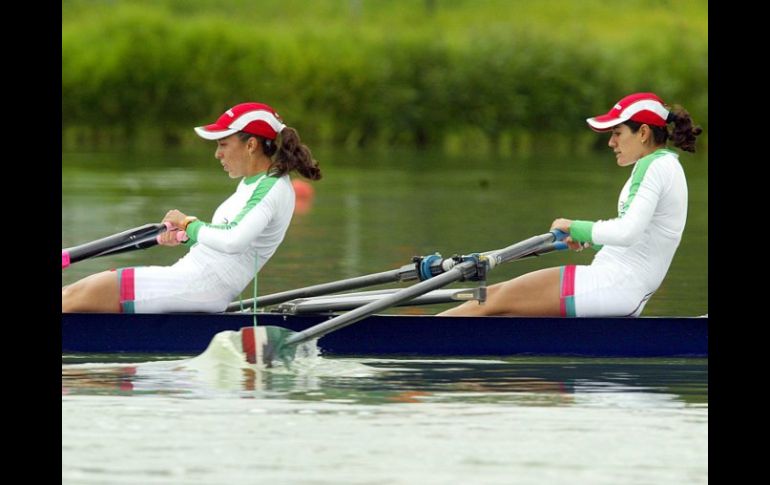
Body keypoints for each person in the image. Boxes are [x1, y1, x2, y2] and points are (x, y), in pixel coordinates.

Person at [440, 92, 702, 317]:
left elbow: (627, 232)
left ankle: (408, 340)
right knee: (492, 301)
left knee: (490, 298)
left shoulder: (653, 166)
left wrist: (575, 227)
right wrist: (591, 240)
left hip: (612, 285)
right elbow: (643, 237)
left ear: (643, 132)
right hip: (617, 288)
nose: (611, 142)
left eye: (617, 133)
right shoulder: (667, 167)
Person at [62, 102, 322, 313]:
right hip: (193, 280)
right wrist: (185, 237)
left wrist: (189, 224)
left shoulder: (271, 188)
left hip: (201, 286)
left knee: (71, 298)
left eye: (223, 144)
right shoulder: (254, 184)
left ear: (251, 145)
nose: (217, 154)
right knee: (70, 296)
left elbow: (234, 241)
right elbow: (228, 241)